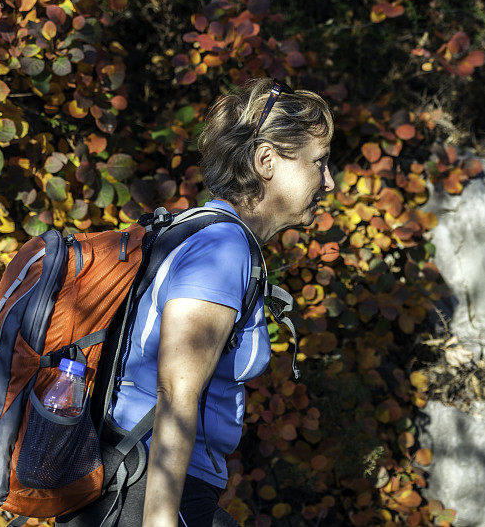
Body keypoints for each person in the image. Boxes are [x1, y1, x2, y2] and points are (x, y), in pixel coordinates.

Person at [56, 77, 334, 526]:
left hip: (130, 479)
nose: (330, 181)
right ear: (267, 161)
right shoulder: (223, 249)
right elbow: (176, 394)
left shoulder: (199, 229)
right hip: (146, 489)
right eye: (318, 162)